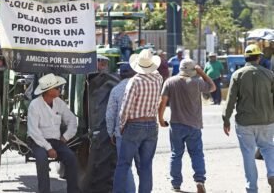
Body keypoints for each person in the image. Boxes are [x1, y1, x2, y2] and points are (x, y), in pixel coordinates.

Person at [222, 44, 274, 193]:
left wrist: (226, 119)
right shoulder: (269, 74)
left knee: (248, 154)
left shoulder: (238, 75)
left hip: (244, 122)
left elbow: (231, 100)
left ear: (246, 58)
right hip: (267, 120)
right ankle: (272, 173)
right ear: (259, 57)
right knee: (268, 148)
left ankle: (252, 188)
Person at [158, 58, 215, 193]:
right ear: (192, 70)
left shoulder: (170, 82)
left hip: (176, 124)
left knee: (176, 154)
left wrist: (160, 119)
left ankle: (176, 184)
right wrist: (202, 73)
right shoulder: (197, 82)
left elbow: (162, 102)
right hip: (194, 125)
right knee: (196, 154)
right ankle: (199, 180)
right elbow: (212, 87)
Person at [113, 49, 163, 193]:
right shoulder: (158, 78)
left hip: (134, 124)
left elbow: (125, 108)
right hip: (152, 125)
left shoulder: (134, 82)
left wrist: (121, 126)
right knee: (146, 165)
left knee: (123, 164)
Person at [27, 73, 79, 193]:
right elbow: (34, 131)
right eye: (57, 88)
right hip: (38, 142)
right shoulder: (34, 105)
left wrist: (65, 137)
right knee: (42, 160)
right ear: (48, 90)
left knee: (71, 158)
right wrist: (49, 148)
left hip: (56, 141)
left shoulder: (59, 103)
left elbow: (72, 120)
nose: (59, 90)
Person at [106, 62, 139, 193]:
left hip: (123, 133)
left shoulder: (116, 90)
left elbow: (110, 115)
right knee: (143, 166)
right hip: (143, 131)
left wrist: (111, 133)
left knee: (126, 166)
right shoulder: (142, 87)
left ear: (119, 75)